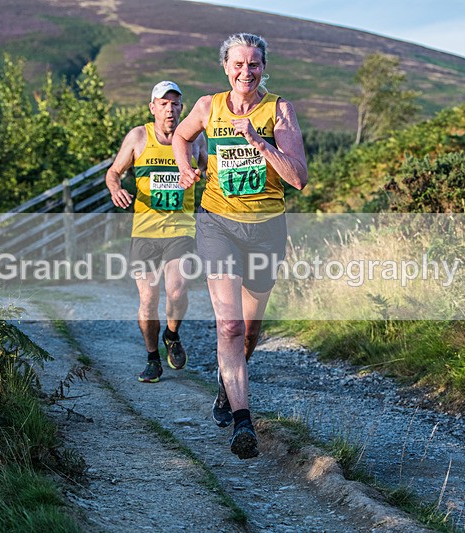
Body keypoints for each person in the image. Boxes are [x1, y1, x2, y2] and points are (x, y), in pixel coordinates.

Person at [172, 34, 308, 458]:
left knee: (249, 329)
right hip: (217, 225)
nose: (245, 72)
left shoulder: (279, 110)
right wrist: (184, 167)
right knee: (228, 326)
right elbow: (180, 136)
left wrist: (260, 142)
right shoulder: (207, 106)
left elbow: (298, 178)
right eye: (238, 64)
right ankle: (242, 421)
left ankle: (225, 384)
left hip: (266, 229)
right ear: (225, 67)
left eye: (254, 64)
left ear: (264, 67)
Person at [106, 80, 207, 383]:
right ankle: (152, 359)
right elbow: (113, 172)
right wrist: (116, 189)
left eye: (175, 104)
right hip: (145, 232)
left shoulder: (194, 139)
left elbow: (210, 172)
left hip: (181, 228)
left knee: (178, 289)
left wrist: (205, 179)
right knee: (148, 301)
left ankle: (172, 335)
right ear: (153, 107)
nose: (170, 109)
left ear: (181, 108)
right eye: (163, 103)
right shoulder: (138, 137)